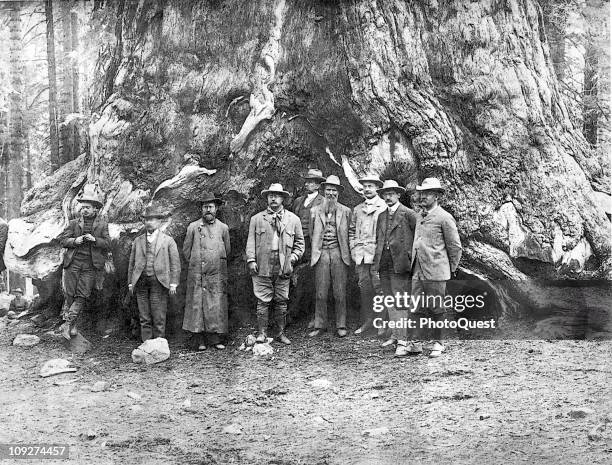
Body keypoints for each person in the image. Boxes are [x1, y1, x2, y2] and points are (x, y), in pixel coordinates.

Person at [246, 183, 304, 344]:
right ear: (267, 198)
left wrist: (292, 258)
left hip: (284, 265)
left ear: (283, 199)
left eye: (277, 195)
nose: (273, 198)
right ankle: (262, 333)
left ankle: (280, 333)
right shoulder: (256, 219)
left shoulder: (293, 219)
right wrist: (251, 260)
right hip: (262, 264)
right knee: (262, 300)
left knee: (281, 300)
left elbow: (300, 244)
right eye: (270, 195)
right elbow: (250, 242)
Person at [411, 177, 462, 358]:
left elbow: (455, 247)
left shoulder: (444, 218)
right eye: (422, 193)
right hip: (418, 270)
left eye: (428, 193)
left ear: (437, 196)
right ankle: (415, 344)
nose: (423, 196)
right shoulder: (419, 216)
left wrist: (449, 269)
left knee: (437, 308)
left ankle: (438, 343)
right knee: (416, 306)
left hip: (436, 271)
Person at [371, 180, 418, 356]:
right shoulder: (381, 215)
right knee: (389, 300)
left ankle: (403, 340)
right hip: (384, 264)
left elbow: (416, 240)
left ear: (398, 195)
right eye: (385, 194)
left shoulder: (409, 214)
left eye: (391, 193)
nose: (388, 197)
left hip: (400, 265)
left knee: (400, 302)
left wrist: (410, 260)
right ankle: (395, 335)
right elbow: (379, 240)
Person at [57, 187, 110, 339]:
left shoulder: (102, 225)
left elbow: (107, 243)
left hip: (90, 266)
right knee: (70, 294)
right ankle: (72, 325)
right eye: (83, 207)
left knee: (82, 295)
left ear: (95, 209)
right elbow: (62, 240)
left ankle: (67, 323)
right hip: (72, 263)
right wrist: (75, 241)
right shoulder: (74, 223)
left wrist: (95, 240)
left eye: (87, 207)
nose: (84, 210)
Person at [182, 193, 231, 351]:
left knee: (216, 306)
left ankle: (215, 339)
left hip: (216, 274)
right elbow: (186, 252)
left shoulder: (223, 228)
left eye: (211, 207)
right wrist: (197, 265)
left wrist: (214, 262)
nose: (208, 210)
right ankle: (200, 339)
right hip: (198, 275)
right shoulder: (193, 227)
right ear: (201, 209)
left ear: (216, 209)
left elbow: (227, 250)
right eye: (205, 207)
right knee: (198, 306)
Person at [128, 205, 181, 342]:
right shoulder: (138, 241)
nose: (149, 222)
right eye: (146, 220)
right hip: (141, 282)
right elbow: (132, 264)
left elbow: (175, 264)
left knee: (158, 315)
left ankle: (159, 344)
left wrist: (173, 283)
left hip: (159, 281)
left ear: (159, 222)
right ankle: (146, 344)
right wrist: (130, 282)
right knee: (144, 316)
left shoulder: (168, 241)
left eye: (152, 220)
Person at [309, 175, 352, 338]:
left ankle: (341, 325)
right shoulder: (314, 211)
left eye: (334, 190)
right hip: (321, 253)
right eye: (328, 190)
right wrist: (317, 251)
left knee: (340, 291)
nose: (331, 193)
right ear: (323, 191)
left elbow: (349, 233)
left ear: (339, 192)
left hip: (338, 252)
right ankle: (320, 325)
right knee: (321, 291)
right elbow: (312, 233)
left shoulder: (346, 211)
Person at [349, 174, 387, 336]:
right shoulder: (357, 209)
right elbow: (351, 231)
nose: (367, 189)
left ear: (377, 188)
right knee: (364, 289)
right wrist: (353, 249)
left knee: (380, 289)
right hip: (361, 256)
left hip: (377, 256)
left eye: (370, 186)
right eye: (365, 186)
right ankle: (368, 321)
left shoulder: (384, 206)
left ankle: (382, 322)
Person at [289, 168, 325, 327]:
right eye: (306, 181)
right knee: (292, 277)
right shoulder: (298, 201)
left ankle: (314, 316)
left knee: (313, 280)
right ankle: (291, 314)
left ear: (318, 185)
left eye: (311, 182)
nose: (307, 184)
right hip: (296, 243)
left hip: (313, 244)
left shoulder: (323, 201)